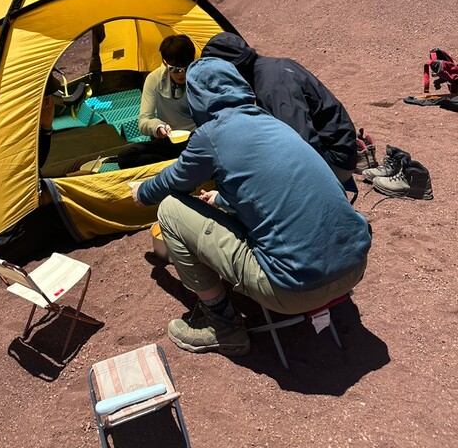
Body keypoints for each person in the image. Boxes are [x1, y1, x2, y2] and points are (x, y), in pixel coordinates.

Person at [130, 57, 371, 357]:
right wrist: (219, 200)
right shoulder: (271, 122)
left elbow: (173, 181)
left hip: (295, 289)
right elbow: (267, 188)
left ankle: (224, 326)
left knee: (169, 209)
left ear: (196, 99)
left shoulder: (210, 135)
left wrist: (143, 192)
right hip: (353, 266)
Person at [201, 32, 357, 183]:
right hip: (336, 149)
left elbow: (300, 143)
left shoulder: (271, 86)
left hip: (334, 161)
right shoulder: (271, 66)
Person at [117, 34, 197, 169]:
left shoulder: (201, 75)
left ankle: (173, 165)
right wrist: (158, 127)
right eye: (175, 69)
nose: (181, 74)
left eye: (186, 68)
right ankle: (178, 164)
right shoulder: (154, 79)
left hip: (196, 139)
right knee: (126, 156)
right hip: (168, 140)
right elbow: (143, 121)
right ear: (165, 63)